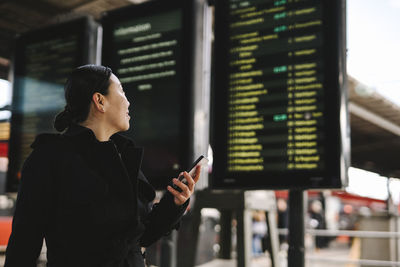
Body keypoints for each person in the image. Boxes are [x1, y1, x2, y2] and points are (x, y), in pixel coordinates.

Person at [4, 65, 200, 267]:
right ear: (100, 101)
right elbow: (24, 244)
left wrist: (174, 203)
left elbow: (140, 238)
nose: (128, 101)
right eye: (122, 91)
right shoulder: (49, 158)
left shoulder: (123, 156)